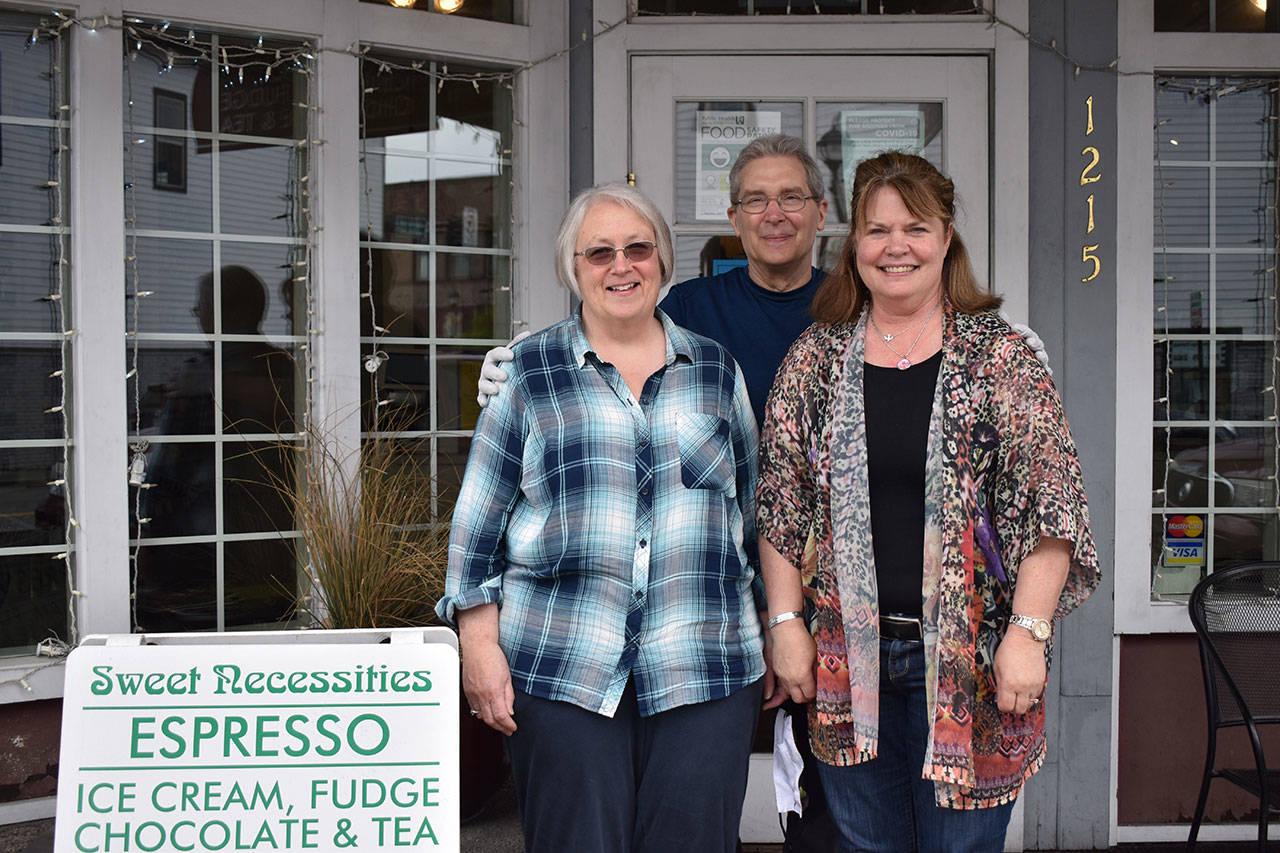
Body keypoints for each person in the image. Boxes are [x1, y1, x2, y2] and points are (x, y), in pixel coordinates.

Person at [475, 135, 1051, 851]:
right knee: (845, 820)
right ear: (733, 214)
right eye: (755, 198)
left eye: (791, 197)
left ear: (820, 213)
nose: (773, 213)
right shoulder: (692, 314)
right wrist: (526, 373)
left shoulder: (876, 318)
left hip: (870, 634)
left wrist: (1001, 350)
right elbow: (769, 497)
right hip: (792, 630)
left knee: (837, 829)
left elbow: (1042, 504)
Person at [756, 151, 1100, 852]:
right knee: (864, 843)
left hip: (973, 661)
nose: (896, 247)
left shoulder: (999, 358)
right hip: (846, 662)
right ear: (854, 245)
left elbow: (1053, 507)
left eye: (915, 227)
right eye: (877, 230)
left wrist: (1028, 634)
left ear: (946, 237)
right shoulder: (817, 359)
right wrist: (785, 621)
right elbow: (780, 503)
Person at [436, 183, 765, 853]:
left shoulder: (714, 371)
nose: (622, 266)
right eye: (600, 252)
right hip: (563, 668)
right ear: (574, 268)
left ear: (662, 260)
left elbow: (750, 516)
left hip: (701, 664)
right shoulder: (528, 375)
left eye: (638, 248)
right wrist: (478, 648)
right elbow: (477, 527)